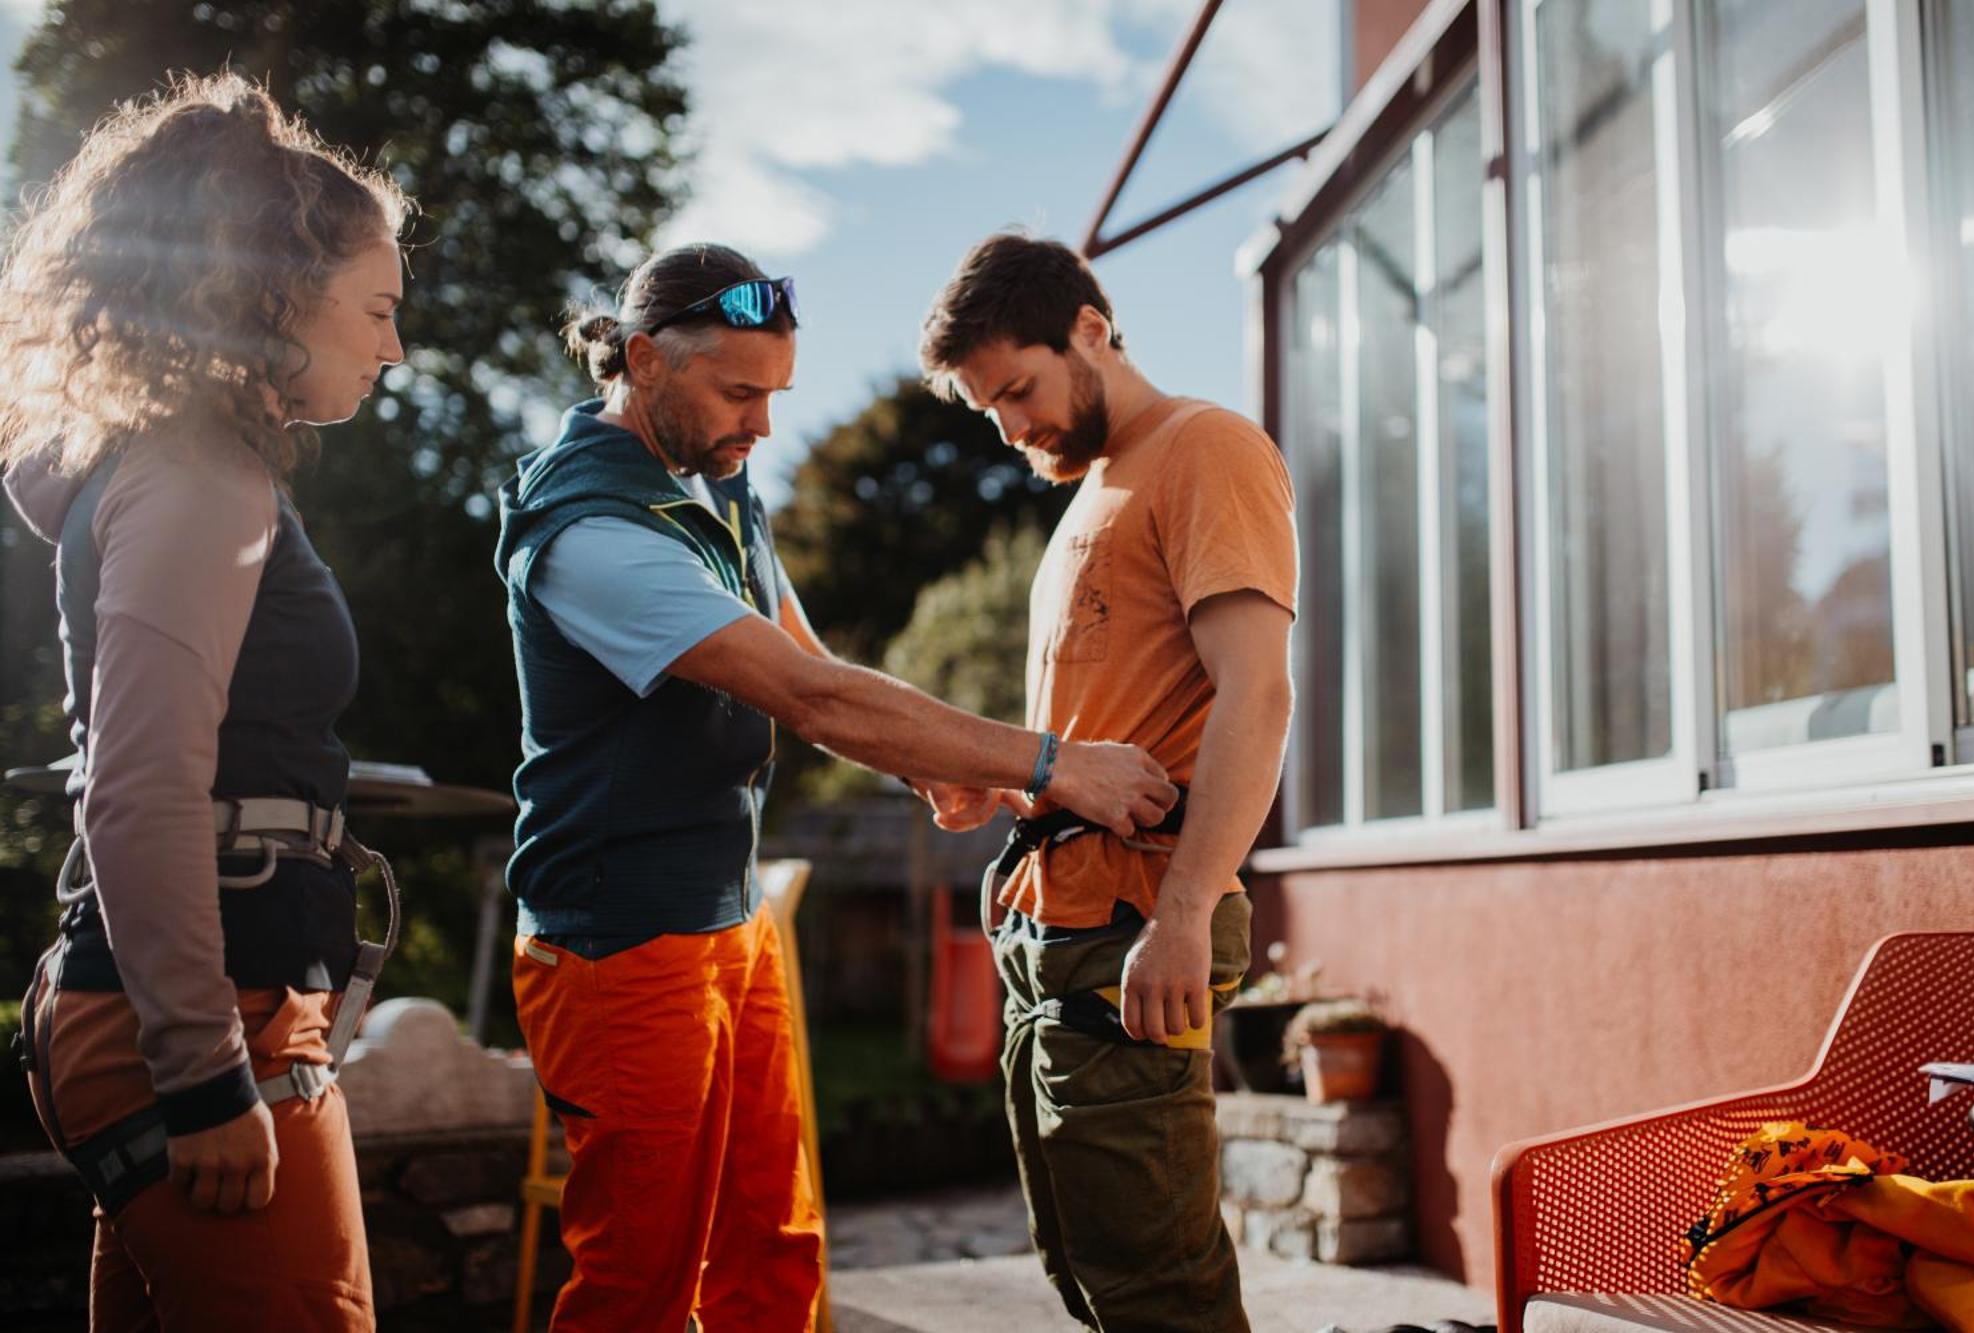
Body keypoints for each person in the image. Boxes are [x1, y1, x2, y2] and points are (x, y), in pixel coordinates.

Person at [494, 241, 1177, 1332]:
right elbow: (803, 696)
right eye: (738, 393)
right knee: (641, 1277)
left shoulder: (715, 472)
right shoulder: (587, 530)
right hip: (618, 941)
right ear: (640, 361)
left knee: (774, 1242)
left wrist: (930, 763)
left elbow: (798, 645)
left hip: (732, 916)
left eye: (773, 395)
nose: (761, 425)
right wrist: (1050, 763)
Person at [1, 74, 410, 1329]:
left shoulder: (173, 462)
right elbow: (138, 786)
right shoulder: (196, 470)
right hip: (195, 1021)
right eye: (379, 309)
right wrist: (203, 1075)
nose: (393, 346)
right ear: (276, 291)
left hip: (195, 1001)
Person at [914, 232, 1299, 1332]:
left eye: (1018, 389)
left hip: (1136, 926)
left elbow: (1256, 696)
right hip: (1052, 932)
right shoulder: (1091, 496)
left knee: (1155, 1292)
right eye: (986, 407)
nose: (1007, 425)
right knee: (1086, 1270)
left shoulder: (1204, 448)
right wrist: (1003, 791)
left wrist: (1183, 911)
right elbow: (1103, 737)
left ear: (1089, 328)